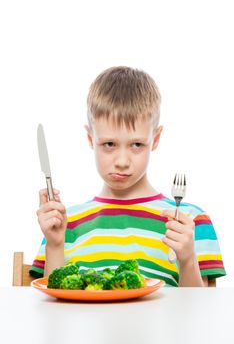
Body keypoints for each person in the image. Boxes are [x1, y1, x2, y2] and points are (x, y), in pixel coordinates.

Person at [31, 66, 226, 287]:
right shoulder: (64, 223)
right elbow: (51, 310)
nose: (122, 161)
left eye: (136, 144)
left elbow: (200, 313)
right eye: (109, 144)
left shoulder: (189, 221)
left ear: (155, 139)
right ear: (89, 137)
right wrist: (55, 245)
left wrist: (188, 259)